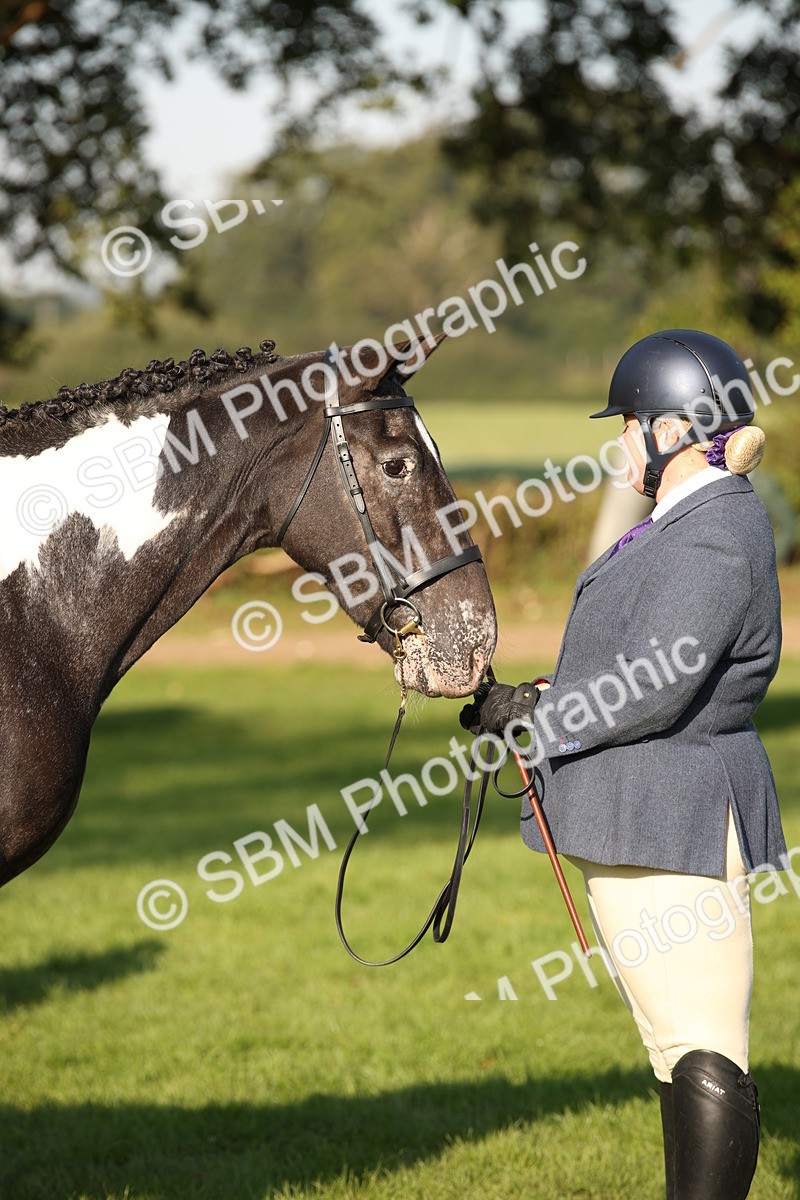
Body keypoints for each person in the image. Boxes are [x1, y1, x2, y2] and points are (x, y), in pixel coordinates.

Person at [461, 329, 786, 1200]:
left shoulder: (715, 530)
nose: (619, 441)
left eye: (632, 422)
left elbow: (661, 682)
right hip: (643, 815)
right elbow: (636, 658)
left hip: (670, 818)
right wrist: (534, 698)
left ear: (677, 428)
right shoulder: (685, 522)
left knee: (700, 1047)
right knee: (674, 1047)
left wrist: (542, 720)